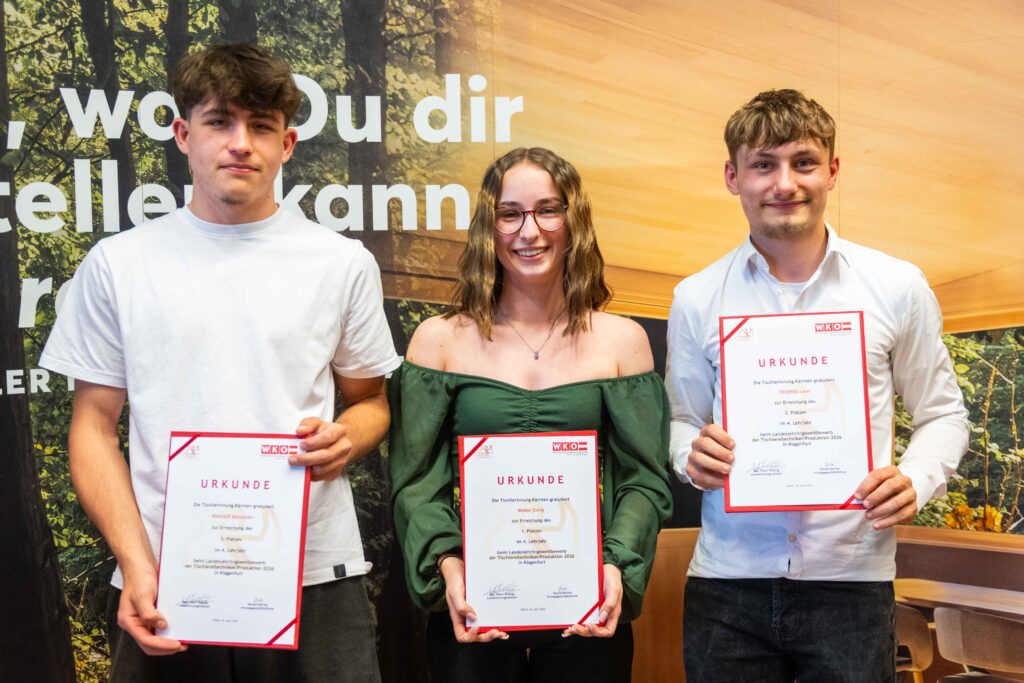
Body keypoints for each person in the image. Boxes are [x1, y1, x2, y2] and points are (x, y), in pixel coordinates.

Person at [40, 43, 400, 681]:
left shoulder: (341, 263)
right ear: (183, 134)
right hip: (166, 578)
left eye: (261, 126)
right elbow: (93, 427)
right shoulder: (119, 265)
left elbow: (369, 403)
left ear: (287, 144)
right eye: (219, 121)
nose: (241, 142)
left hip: (312, 572)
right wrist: (138, 564)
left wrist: (348, 438)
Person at [666, 88, 969, 682]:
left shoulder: (896, 286)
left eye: (803, 162)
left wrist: (916, 478)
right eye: (763, 165)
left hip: (851, 587)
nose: (785, 183)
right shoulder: (695, 297)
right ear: (733, 177)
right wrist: (689, 455)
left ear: (833, 170)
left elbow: (943, 415)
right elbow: (682, 419)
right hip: (728, 586)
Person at [388, 147, 673, 682]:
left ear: (574, 221)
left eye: (548, 209)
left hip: (588, 606)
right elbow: (417, 482)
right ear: (487, 227)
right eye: (510, 213)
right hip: (472, 604)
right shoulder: (438, 340)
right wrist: (449, 567)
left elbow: (642, 480)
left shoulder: (623, 341)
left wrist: (615, 566)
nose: (529, 231)